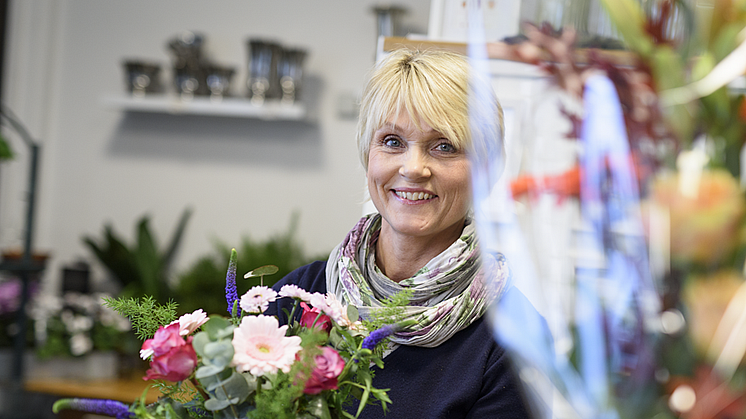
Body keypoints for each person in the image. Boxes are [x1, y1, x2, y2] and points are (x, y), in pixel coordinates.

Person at [268, 48, 533, 418]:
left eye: (444, 146)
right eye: (392, 142)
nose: (414, 168)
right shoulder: (297, 297)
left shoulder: (514, 336)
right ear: (368, 156)